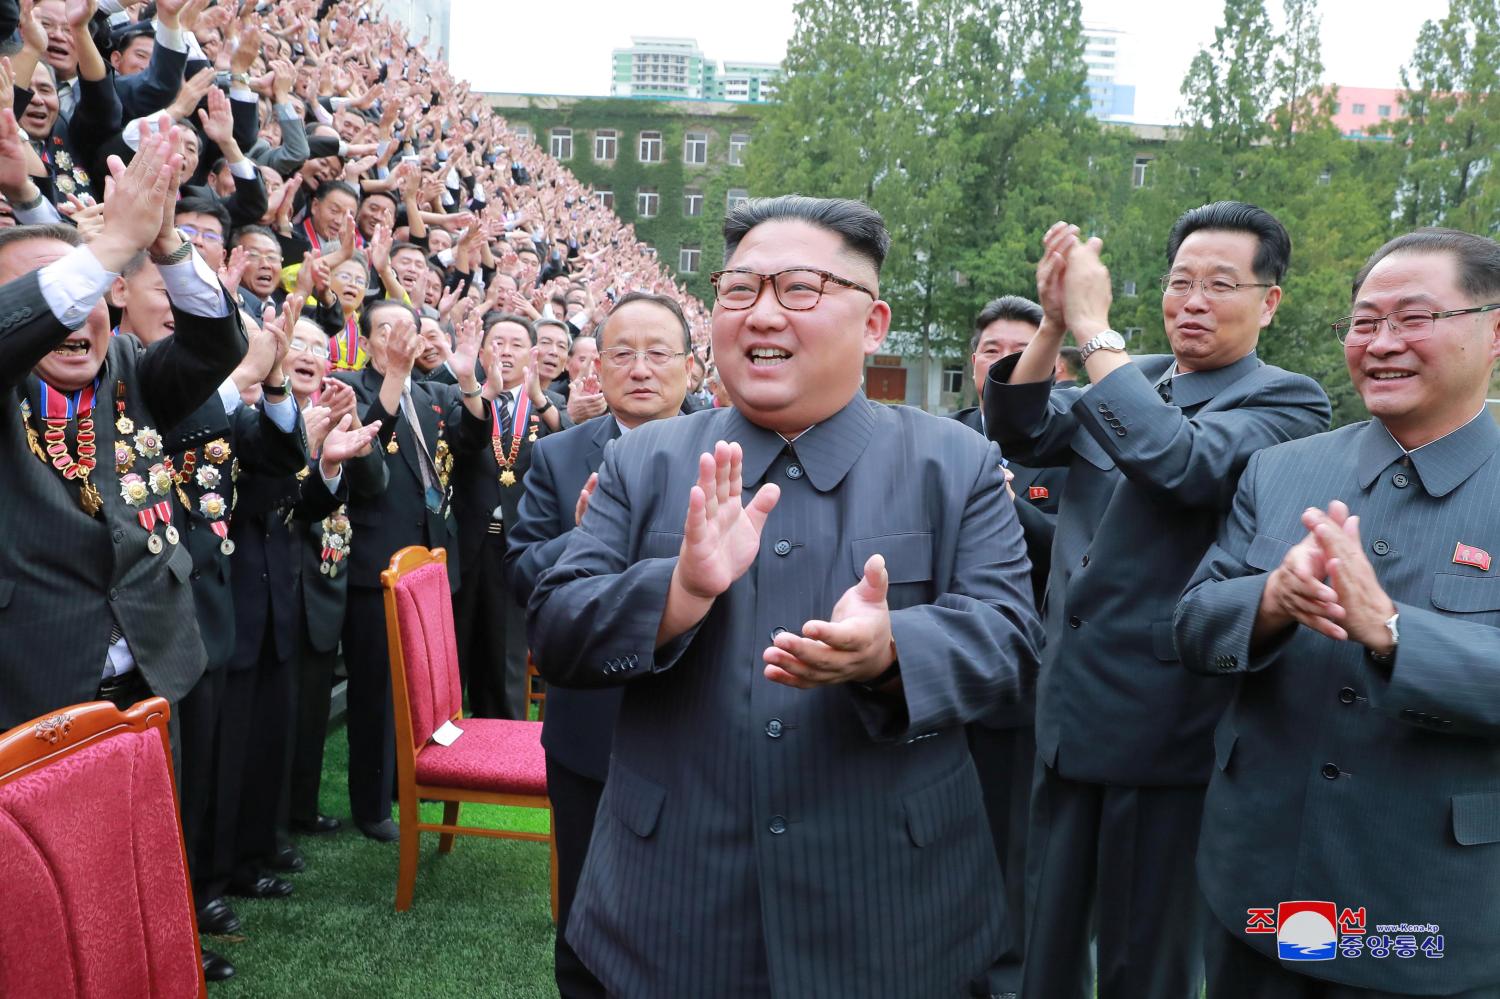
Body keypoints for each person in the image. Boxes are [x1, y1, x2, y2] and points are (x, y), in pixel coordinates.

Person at [529, 195, 1041, 997]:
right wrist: (678, 591)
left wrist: (891, 650)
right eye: (739, 290)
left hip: (895, 912)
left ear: (873, 324)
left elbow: (1010, 640)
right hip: (670, 907)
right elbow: (557, 629)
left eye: (799, 289)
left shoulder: (955, 464)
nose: (762, 314)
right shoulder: (646, 462)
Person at [983, 202, 1332, 999]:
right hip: (1067, 704)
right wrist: (1050, 325)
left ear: (1270, 301)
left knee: (1147, 959)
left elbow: (1182, 464)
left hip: (1167, 716)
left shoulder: (1289, 403)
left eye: (1220, 283)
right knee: (1045, 936)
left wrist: (1095, 334)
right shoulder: (1135, 375)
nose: (1193, 300)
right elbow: (1019, 425)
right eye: (1180, 282)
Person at [1175, 228, 1500, 999]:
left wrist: (1393, 632)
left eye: (1413, 318)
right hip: (1260, 890)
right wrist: (1271, 601)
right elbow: (1192, 624)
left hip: (1429, 917)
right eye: (1364, 321)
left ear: (1493, 329)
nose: (1382, 343)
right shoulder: (1284, 469)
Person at [0, 121, 247, 732]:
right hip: (33, 685)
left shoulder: (131, 366)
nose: (70, 320)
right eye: (56, 297)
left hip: (155, 674)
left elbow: (217, 345)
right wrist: (111, 245)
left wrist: (164, 244)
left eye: (88, 294)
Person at [506, 291, 695, 999]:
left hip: (696, 717)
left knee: (693, 914)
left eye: (658, 353)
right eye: (623, 353)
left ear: (689, 364)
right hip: (590, 724)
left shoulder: (731, 446)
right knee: (586, 917)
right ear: (596, 367)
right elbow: (522, 577)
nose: (641, 368)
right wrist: (581, 535)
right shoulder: (557, 458)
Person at [334, 298, 488, 841]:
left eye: (410, 328)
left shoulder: (429, 392)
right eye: (388, 329)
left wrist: (469, 382)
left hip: (428, 557)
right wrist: (396, 375)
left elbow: (471, 444)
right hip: (374, 561)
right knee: (375, 688)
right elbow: (368, 453)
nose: (401, 337)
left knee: (421, 685)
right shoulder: (347, 385)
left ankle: (410, 781)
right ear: (366, 338)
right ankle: (372, 805)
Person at [950, 293, 1068, 996]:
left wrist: (1008, 504)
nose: (1007, 364)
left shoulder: (1072, 449)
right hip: (933, 677)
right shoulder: (939, 439)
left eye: (1025, 353)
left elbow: (1079, 559)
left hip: (1023, 688)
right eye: (994, 350)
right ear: (974, 362)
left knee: (1011, 855)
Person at [450, 312, 560, 720]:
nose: (506, 351)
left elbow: (568, 444)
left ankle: (500, 759)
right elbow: (465, 439)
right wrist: (478, 391)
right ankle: (442, 762)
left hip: (516, 546)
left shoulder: (548, 405)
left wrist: (543, 399)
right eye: (498, 342)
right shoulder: (458, 396)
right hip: (465, 542)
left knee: (506, 658)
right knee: (453, 654)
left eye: (516, 344)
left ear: (532, 354)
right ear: (481, 351)